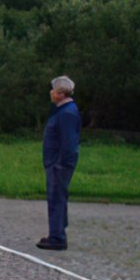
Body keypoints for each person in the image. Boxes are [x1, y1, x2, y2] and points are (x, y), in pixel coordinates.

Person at [39, 75, 80, 251]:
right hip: (55, 162)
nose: (51, 93)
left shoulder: (67, 113)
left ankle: (57, 237)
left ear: (61, 93)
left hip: (59, 164)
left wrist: (59, 163)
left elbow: (69, 142)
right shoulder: (63, 110)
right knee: (56, 197)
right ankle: (57, 231)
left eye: (54, 90)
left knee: (56, 198)